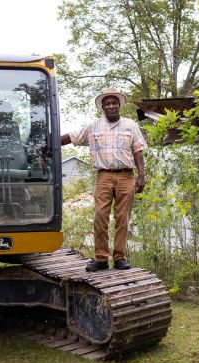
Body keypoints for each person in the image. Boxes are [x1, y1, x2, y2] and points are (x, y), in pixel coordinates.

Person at [61, 88, 147, 272]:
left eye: (113, 103)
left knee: (123, 218)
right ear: (102, 107)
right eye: (107, 103)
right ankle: (100, 258)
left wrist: (141, 176)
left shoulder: (130, 125)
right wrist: (48, 142)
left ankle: (119, 258)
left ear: (119, 105)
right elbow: (71, 137)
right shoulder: (93, 126)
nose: (110, 106)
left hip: (126, 176)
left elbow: (138, 150)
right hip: (104, 176)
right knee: (100, 217)